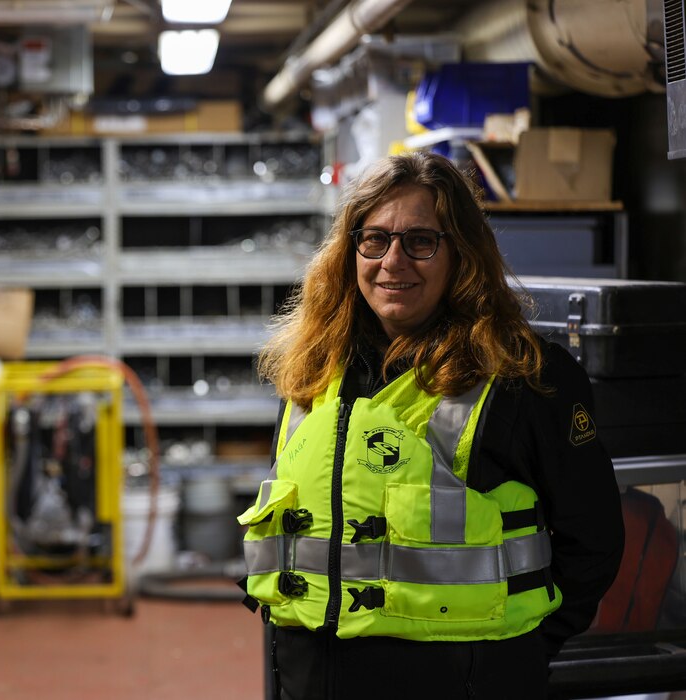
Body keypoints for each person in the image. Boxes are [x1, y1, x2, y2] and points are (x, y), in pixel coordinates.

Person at [238, 151, 624, 699]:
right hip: (310, 676)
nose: (393, 261)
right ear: (350, 252)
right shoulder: (311, 370)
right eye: (374, 239)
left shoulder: (523, 376)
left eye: (421, 241)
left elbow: (595, 541)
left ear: (461, 255)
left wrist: (514, 658)